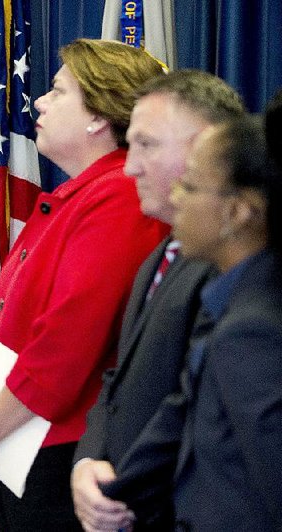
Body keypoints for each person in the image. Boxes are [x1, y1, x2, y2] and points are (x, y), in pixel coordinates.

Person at [0, 39, 167, 531]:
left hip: (57, 451)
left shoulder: (118, 199)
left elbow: (65, 346)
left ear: (99, 117)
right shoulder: (79, 195)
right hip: (27, 442)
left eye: (57, 91)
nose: (39, 102)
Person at [71, 70, 244, 531]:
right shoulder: (159, 256)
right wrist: (87, 461)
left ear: (206, 145)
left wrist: (118, 489)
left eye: (146, 145)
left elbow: (189, 402)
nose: (129, 166)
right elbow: (119, 379)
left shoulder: (229, 267)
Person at [102, 111, 282, 530]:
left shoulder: (254, 331)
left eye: (191, 185)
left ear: (239, 212)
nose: (176, 197)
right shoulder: (236, 301)